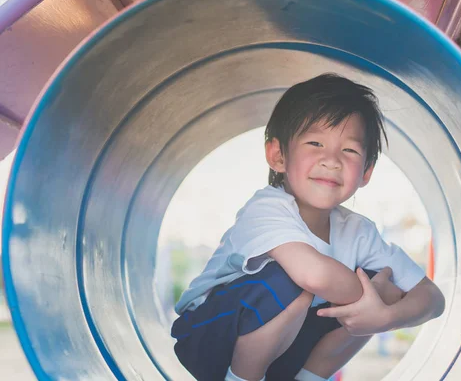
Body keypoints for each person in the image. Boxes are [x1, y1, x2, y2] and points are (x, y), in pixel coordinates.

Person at [171, 73, 445, 381]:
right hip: (209, 339)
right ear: (278, 155)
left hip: (284, 354)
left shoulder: (358, 231)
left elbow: (432, 298)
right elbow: (313, 274)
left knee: (382, 290)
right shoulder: (266, 209)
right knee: (298, 283)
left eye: (350, 150)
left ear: (366, 171)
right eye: (315, 143)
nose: (331, 160)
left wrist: (385, 316)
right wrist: (375, 295)